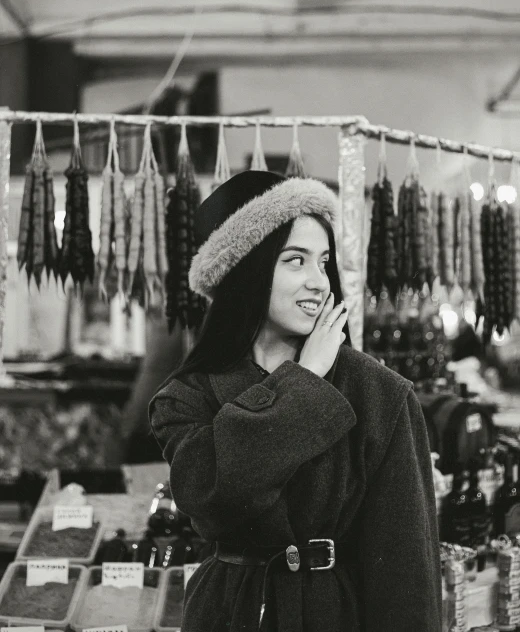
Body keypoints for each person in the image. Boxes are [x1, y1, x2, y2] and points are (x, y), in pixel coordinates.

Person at [149, 170, 442, 632]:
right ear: (243, 271)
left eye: (323, 262)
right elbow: (217, 493)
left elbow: (407, 570)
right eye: (295, 260)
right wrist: (302, 381)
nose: (318, 282)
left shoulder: (380, 394)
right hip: (227, 614)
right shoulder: (186, 397)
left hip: (334, 614)